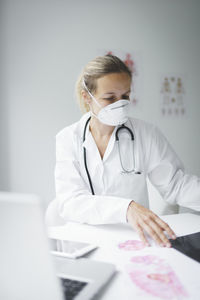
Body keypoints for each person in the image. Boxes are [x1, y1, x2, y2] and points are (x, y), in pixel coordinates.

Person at [54, 54, 200, 247]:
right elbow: (69, 203)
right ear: (87, 97)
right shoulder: (67, 138)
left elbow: (176, 185)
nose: (120, 104)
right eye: (110, 98)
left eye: (125, 96)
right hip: (84, 243)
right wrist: (126, 208)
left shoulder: (146, 134)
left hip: (134, 241)